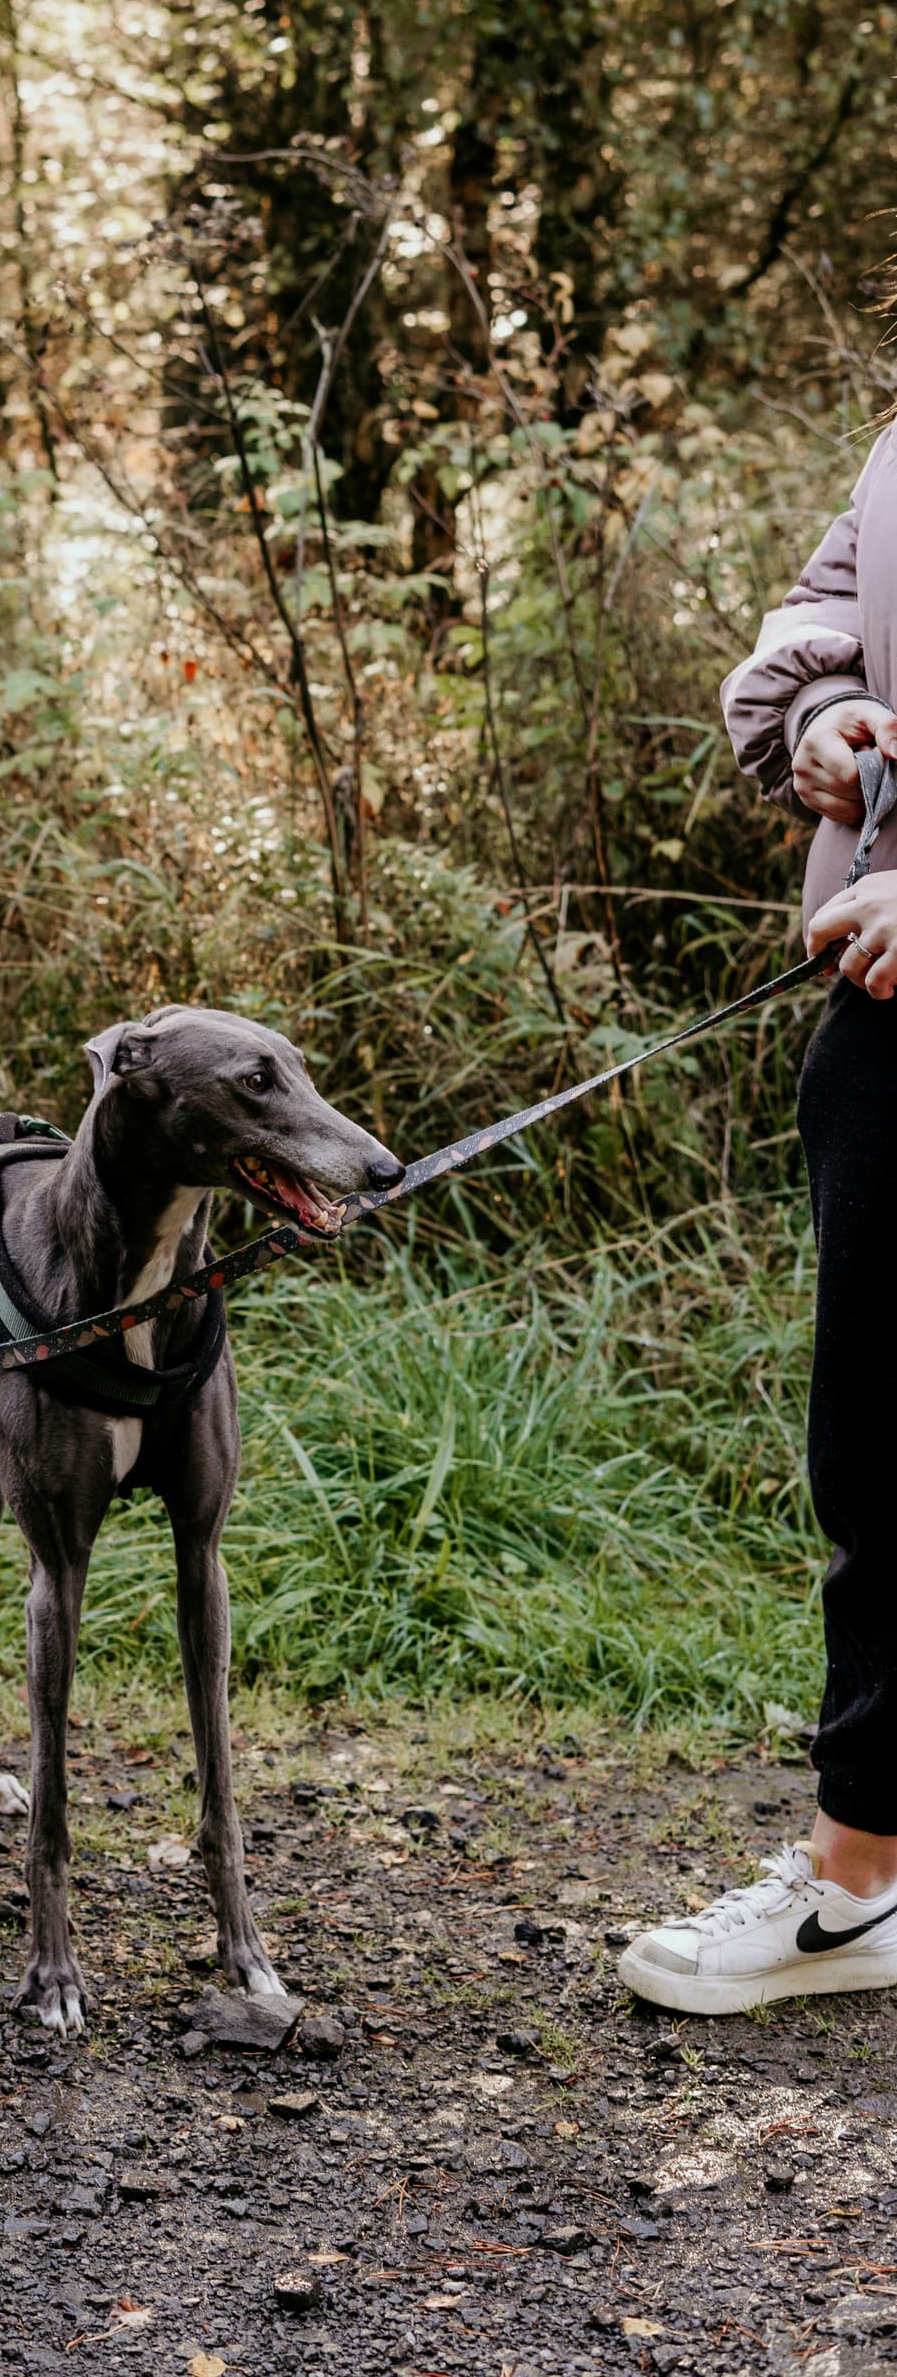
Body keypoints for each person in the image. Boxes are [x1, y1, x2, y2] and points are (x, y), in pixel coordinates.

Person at [616, 429, 897, 2010]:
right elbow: (825, 619)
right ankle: (863, 1882)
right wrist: (821, 723)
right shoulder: (896, 449)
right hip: (879, 1005)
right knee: (880, 1447)